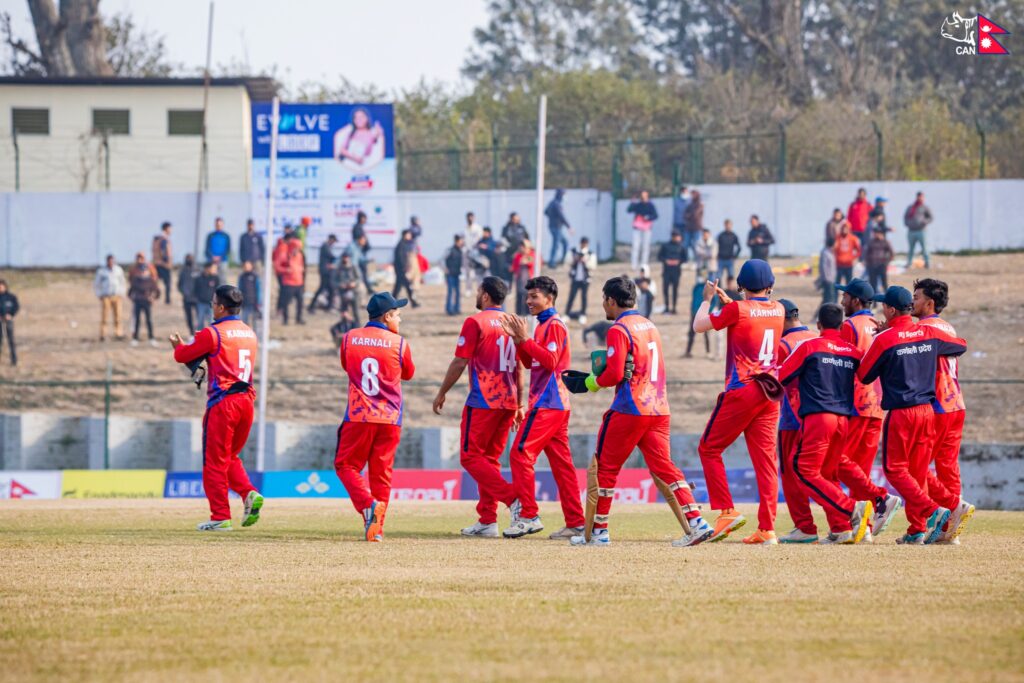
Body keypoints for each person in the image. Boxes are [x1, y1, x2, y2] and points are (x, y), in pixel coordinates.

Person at [570, 275, 712, 547]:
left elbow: (614, 374)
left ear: (611, 300)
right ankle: (697, 522)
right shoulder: (650, 325)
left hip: (630, 407)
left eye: (604, 300)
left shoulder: (618, 329)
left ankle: (599, 532)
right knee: (665, 467)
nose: (603, 305)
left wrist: (590, 382)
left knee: (605, 468)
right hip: (659, 408)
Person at [857, 286, 967, 544]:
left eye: (884, 306)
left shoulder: (885, 339)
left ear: (891, 310)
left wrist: (888, 345)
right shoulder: (928, 332)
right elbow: (960, 346)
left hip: (902, 413)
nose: (882, 309)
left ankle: (934, 511)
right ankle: (924, 525)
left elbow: (864, 375)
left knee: (894, 469)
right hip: (928, 411)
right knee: (918, 470)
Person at [693, 259, 784, 544]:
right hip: (770, 391)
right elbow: (753, 314)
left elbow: (699, 326)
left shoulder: (737, 310)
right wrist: (732, 304)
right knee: (766, 463)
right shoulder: (779, 309)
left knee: (709, 448)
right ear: (770, 285)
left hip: (743, 389)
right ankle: (767, 529)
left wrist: (707, 300)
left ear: (741, 285)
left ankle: (727, 511)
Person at [432, 277, 523, 538]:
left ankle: (513, 499)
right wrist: (519, 402)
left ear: (485, 295)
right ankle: (487, 520)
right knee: (490, 461)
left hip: (484, 399)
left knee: (470, 457)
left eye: (478, 290)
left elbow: (460, 361)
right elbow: (519, 366)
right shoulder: (513, 322)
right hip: (508, 400)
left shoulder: (476, 321)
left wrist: (442, 392)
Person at [170, 285, 264, 532]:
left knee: (214, 462)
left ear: (221, 307)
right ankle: (249, 493)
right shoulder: (250, 332)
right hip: (247, 400)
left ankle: (220, 517)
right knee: (229, 457)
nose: (212, 307)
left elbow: (183, 356)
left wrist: (178, 345)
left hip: (223, 403)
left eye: (213, 303)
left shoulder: (212, 333)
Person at [778, 303, 874, 544]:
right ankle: (841, 528)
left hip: (817, 417)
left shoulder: (809, 346)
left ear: (819, 324)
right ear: (841, 325)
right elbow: (866, 376)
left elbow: (782, 376)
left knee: (801, 469)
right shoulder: (852, 351)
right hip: (844, 419)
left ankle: (851, 509)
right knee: (829, 474)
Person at [498, 276, 585, 539]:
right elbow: (530, 362)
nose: (529, 301)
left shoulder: (554, 325)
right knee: (562, 466)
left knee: (520, 453)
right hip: (555, 404)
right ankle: (576, 522)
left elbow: (550, 361)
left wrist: (525, 338)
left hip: (548, 402)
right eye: (528, 296)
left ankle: (529, 515)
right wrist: (519, 340)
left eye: (534, 296)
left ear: (550, 298)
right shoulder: (543, 325)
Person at [334, 292, 415, 542]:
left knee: (346, 466)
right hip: (390, 418)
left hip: (359, 415)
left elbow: (347, 366)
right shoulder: (399, 343)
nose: (399, 319)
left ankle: (368, 505)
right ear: (387, 316)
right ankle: (376, 530)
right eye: (397, 314)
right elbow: (408, 374)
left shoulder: (349, 338)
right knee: (381, 475)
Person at [914, 278, 975, 544]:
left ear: (929, 303)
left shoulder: (922, 329)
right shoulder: (948, 327)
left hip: (937, 405)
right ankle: (949, 530)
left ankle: (942, 513)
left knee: (915, 466)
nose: (912, 302)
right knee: (948, 467)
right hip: (956, 403)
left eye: (916, 297)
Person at [774, 300, 817, 542]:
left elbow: (774, 381)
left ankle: (805, 527)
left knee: (790, 473)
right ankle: (842, 520)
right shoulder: (815, 337)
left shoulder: (783, 344)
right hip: (820, 415)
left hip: (792, 418)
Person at [128, 252, 160, 346]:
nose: (143, 272)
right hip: (138, 301)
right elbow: (130, 291)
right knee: (137, 321)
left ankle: (151, 338)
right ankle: (135, 338)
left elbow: (157, 291)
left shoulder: (150, 279)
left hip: (147, 302)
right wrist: (134, 298)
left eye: (144, 271)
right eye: (141, 271)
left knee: (149, 320)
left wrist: (152, 298)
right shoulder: (135, 277)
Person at [94, 254, 127, 341]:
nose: (111, 262)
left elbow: (122, 282)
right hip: (106, 296)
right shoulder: (102, 271)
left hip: (116, 295)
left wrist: (122, 293)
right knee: (105, 316)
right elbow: (96, 284)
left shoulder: (118, 270)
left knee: (118, 316)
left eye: (112, 260)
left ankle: (118, 333)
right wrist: (99, 294)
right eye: (109, 261)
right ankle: (103, 334)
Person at [686, 269, 718, 358]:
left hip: (705, 314)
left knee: (706, 334)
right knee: (691, 333)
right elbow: (693, 300)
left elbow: (714, 301)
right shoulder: (696, 287)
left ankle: (708, 351)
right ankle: (688, 351)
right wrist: (692, 310)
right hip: (694, 313)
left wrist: (708, 310)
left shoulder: (710, 288)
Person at [277, 231, 306, 325]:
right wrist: (286, 270)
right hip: (288, 283)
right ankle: (285, 319)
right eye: (296, 248)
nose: (297, 250)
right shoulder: (284, 255)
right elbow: (277, 267)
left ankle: (299, 318)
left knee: (300, 302)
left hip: (299, 283)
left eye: (299, 248)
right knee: (286, 302)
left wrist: (301, 270)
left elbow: (301, 266)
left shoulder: (300, 255)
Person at [565, 237, 596, 321]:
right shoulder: (574, 251)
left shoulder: (590, 253)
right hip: (575, 278)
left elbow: (593, 266)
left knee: (584, 297)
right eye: (583, 243)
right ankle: (567, 313)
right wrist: (575, 259)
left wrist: (585, 261)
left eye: (585, 243)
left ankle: (583, 314)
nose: (584, 245)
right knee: (572, 296)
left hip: (585, 279)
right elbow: (568, 261)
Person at [626, 190, 658, 272]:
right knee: (636, 246)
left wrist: (648, 217)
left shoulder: (651, 205)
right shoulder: (638, 205)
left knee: (645, 247)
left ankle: (644, 264)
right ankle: (634, 265)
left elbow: (655, 215)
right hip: (637, 227)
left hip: (647, 228)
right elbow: (629, 210)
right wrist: (632, 202)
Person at [308, 235, 338, 314]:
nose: (334, 243)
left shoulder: (327, 246)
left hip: (327, 271)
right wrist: (339, 259)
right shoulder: (325, 246)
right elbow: (331, 257)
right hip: (325, 272)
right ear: (331, 239)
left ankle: (328, 307)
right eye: (334, 241)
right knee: (322, 289)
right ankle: (312, 306)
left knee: (331, 289)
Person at [904, 191, 933, 269]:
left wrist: (924, 222)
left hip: (921, 230)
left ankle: (927, 263)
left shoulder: (925, 207)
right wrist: (908, 223)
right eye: (919, 196)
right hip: (911, 231)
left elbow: (930, 218)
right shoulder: (911, 207)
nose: (920, 198)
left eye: (921, 197)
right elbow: (905, 217)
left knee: (925, 248)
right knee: (911, 249)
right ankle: (909, 263)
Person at [658, 231, 685, 314]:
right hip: (666, 271)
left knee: (675, 290)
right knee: (665, 290)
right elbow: (659, 256)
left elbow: (685, 258)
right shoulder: (665, 246)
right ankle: (666, 307)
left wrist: (678, 261)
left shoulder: (681, 247)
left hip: (676, 271)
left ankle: (674, 308)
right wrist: (666, 261)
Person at [391, 229, 419, 308]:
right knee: (407, 285)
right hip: (401, 269)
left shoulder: (405, 244)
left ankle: (391, 302)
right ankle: (413, 302)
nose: (410, 236)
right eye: (408, 234)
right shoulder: (401, 245)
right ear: (404, 235)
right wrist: (405, 267)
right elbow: (400, 258)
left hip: (401, 269)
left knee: (398, 287)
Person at [545, 189, 572, 267]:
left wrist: (552, 217)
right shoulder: (556, 204)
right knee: (556, 245)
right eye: (564, 195)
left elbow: (546, 212)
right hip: (556, 227)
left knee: (565, 243)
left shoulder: (552, 203)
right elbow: (561, 216)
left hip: (555, 227)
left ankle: (562, 260)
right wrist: (569, 227)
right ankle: (552, 262)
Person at [864, 225, 894, 293]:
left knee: (884, 283)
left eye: (878, 233)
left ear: (881, 233)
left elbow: (891, 253)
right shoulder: (871, 242)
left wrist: (886, 262)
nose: (876, 234)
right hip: (872, 265)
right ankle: (873, 299)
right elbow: (866, 253)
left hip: (882, 265)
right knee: (872, 284)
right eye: (875, 233)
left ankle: (887, 297)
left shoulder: (885, 242)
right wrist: (867, 263)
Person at [511, 239, 535, 316]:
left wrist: (526, 261)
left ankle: (528, 313)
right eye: (521, 246)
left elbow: (533, 264)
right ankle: (518, 313)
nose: (522, 248)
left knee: (528, 296)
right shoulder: (517, 256)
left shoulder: (532, 255)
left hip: (529, 279)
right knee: (519, 296)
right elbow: (514, 266)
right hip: (520, 279)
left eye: (523, 246)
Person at [336, 252, 361, 326]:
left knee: (355, 310)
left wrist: (354, 283)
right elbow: (334, 280)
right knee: (344, 311)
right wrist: (340, 285)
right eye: (344, 257)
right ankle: (344, 325)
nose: (345, 259)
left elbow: (359, 278)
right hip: (343, 292)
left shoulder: (353, 267)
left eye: (347, 257)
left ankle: (358, 325)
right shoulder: (339, 268)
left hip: (353, 291)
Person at [193, 262, 220, 330]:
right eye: (213, 268)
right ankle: (200, 335)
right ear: (208, 268)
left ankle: (212, 335)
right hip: (200, 303)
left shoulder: (215, 278)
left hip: (211, 304)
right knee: (200, 322)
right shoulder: (198, 278)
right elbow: (194, 290)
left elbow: (218, 291)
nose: (215, 270)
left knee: (212, 322)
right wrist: (197, 300)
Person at [834, 221, 861, 286]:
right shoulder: (837, 238)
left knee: (849, 283)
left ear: (849, 229)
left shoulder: (853, 238)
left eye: (846, 228)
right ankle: (835, 293)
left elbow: (859, 250)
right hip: (839, 264)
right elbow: (834, 249)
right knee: (837, 282)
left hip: (848, 264)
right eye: (843, 228)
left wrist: (853, 258)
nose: (844, 230)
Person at [177, 254, 199, 336]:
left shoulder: (197, 270)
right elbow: (179, 285)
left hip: (197, 298)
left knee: (199, 317)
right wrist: (184, 292)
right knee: (189, 317)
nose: (189, 260)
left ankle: (199, 333)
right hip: (187, 298)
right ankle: (191, 333)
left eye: (190, 258)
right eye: (188, 258)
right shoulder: (182, 271)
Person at [463, 212, 484, 295]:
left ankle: (479, 289)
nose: (470, 219)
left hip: (476, 252)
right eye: (468, 217)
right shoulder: (465, 228)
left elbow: (480, 239)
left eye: (471, 217)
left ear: (474, 218)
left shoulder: (478, 228)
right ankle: (468, 289)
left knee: (477, 272)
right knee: (468, 272)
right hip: (467, 252)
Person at [443, 234, 465, 316]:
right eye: (461, 241)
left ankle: (457, 309)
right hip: (450, 275)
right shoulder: (450, 250)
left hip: (457, 274)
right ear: (457, 241)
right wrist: (445, 269)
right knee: (451, 292)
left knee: (458, 292)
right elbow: (442, 259)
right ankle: (449, 310)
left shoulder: (460, 251)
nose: (462, 242)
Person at [152, 222, 173, 304]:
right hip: (163, 264)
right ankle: (167, 299)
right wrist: (167, 261)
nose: (171, 230)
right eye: (170, 228)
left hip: (156, 263)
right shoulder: (164, 239)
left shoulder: (156, 238)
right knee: (167, 283)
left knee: (156, 281)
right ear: (166, 228)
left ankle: (156, 296)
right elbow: (163, 251)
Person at [682, 189, 704, 262]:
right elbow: (684, 215)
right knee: (686, 244)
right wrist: (689, 215)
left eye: (693, 195)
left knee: (696, 245)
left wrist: (689, 215)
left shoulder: (700, 205)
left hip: (697, 228)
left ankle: (697, 260)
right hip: (688, 228)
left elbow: (695, 215)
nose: (691, 196)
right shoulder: (689, 205)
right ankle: (686, 259)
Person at [237, 261, 260, 329]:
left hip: (254, 302)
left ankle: (255, 334)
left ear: (251, 266)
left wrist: (258, 302)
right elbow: (239, 289)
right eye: (245, 266)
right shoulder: (241, 277)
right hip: (245, 302)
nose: (247, 267)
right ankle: (245, 334)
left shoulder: (255, 276)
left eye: (248, 266)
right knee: (244, 320)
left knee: (255, 321)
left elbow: (258, 290)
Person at [0, 280, 18, 366]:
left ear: (5, 287)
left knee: (11, 340)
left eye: (1, 286)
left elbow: (16, 306)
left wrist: (11, 314)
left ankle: (14, 360)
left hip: (8, 320)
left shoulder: (11, 297)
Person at [816, 237, 837, 306]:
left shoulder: (831, 252)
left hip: (831, 279)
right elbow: (823, 267)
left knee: (828, 298)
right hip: (827, 279)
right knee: (828, 298)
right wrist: (826, 278)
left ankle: (822, 311)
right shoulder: (825, 253)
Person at [671, 186, 690, 252]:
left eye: (686, 191)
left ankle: (685, 254)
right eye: (683, 192)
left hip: (687, 224)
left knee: (686, 241)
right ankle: (678, 254)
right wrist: (674, 224)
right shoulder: (676, 200)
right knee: (677, 239)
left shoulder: (690, 200)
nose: (684, 193)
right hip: (678, 224)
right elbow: (675, 213)